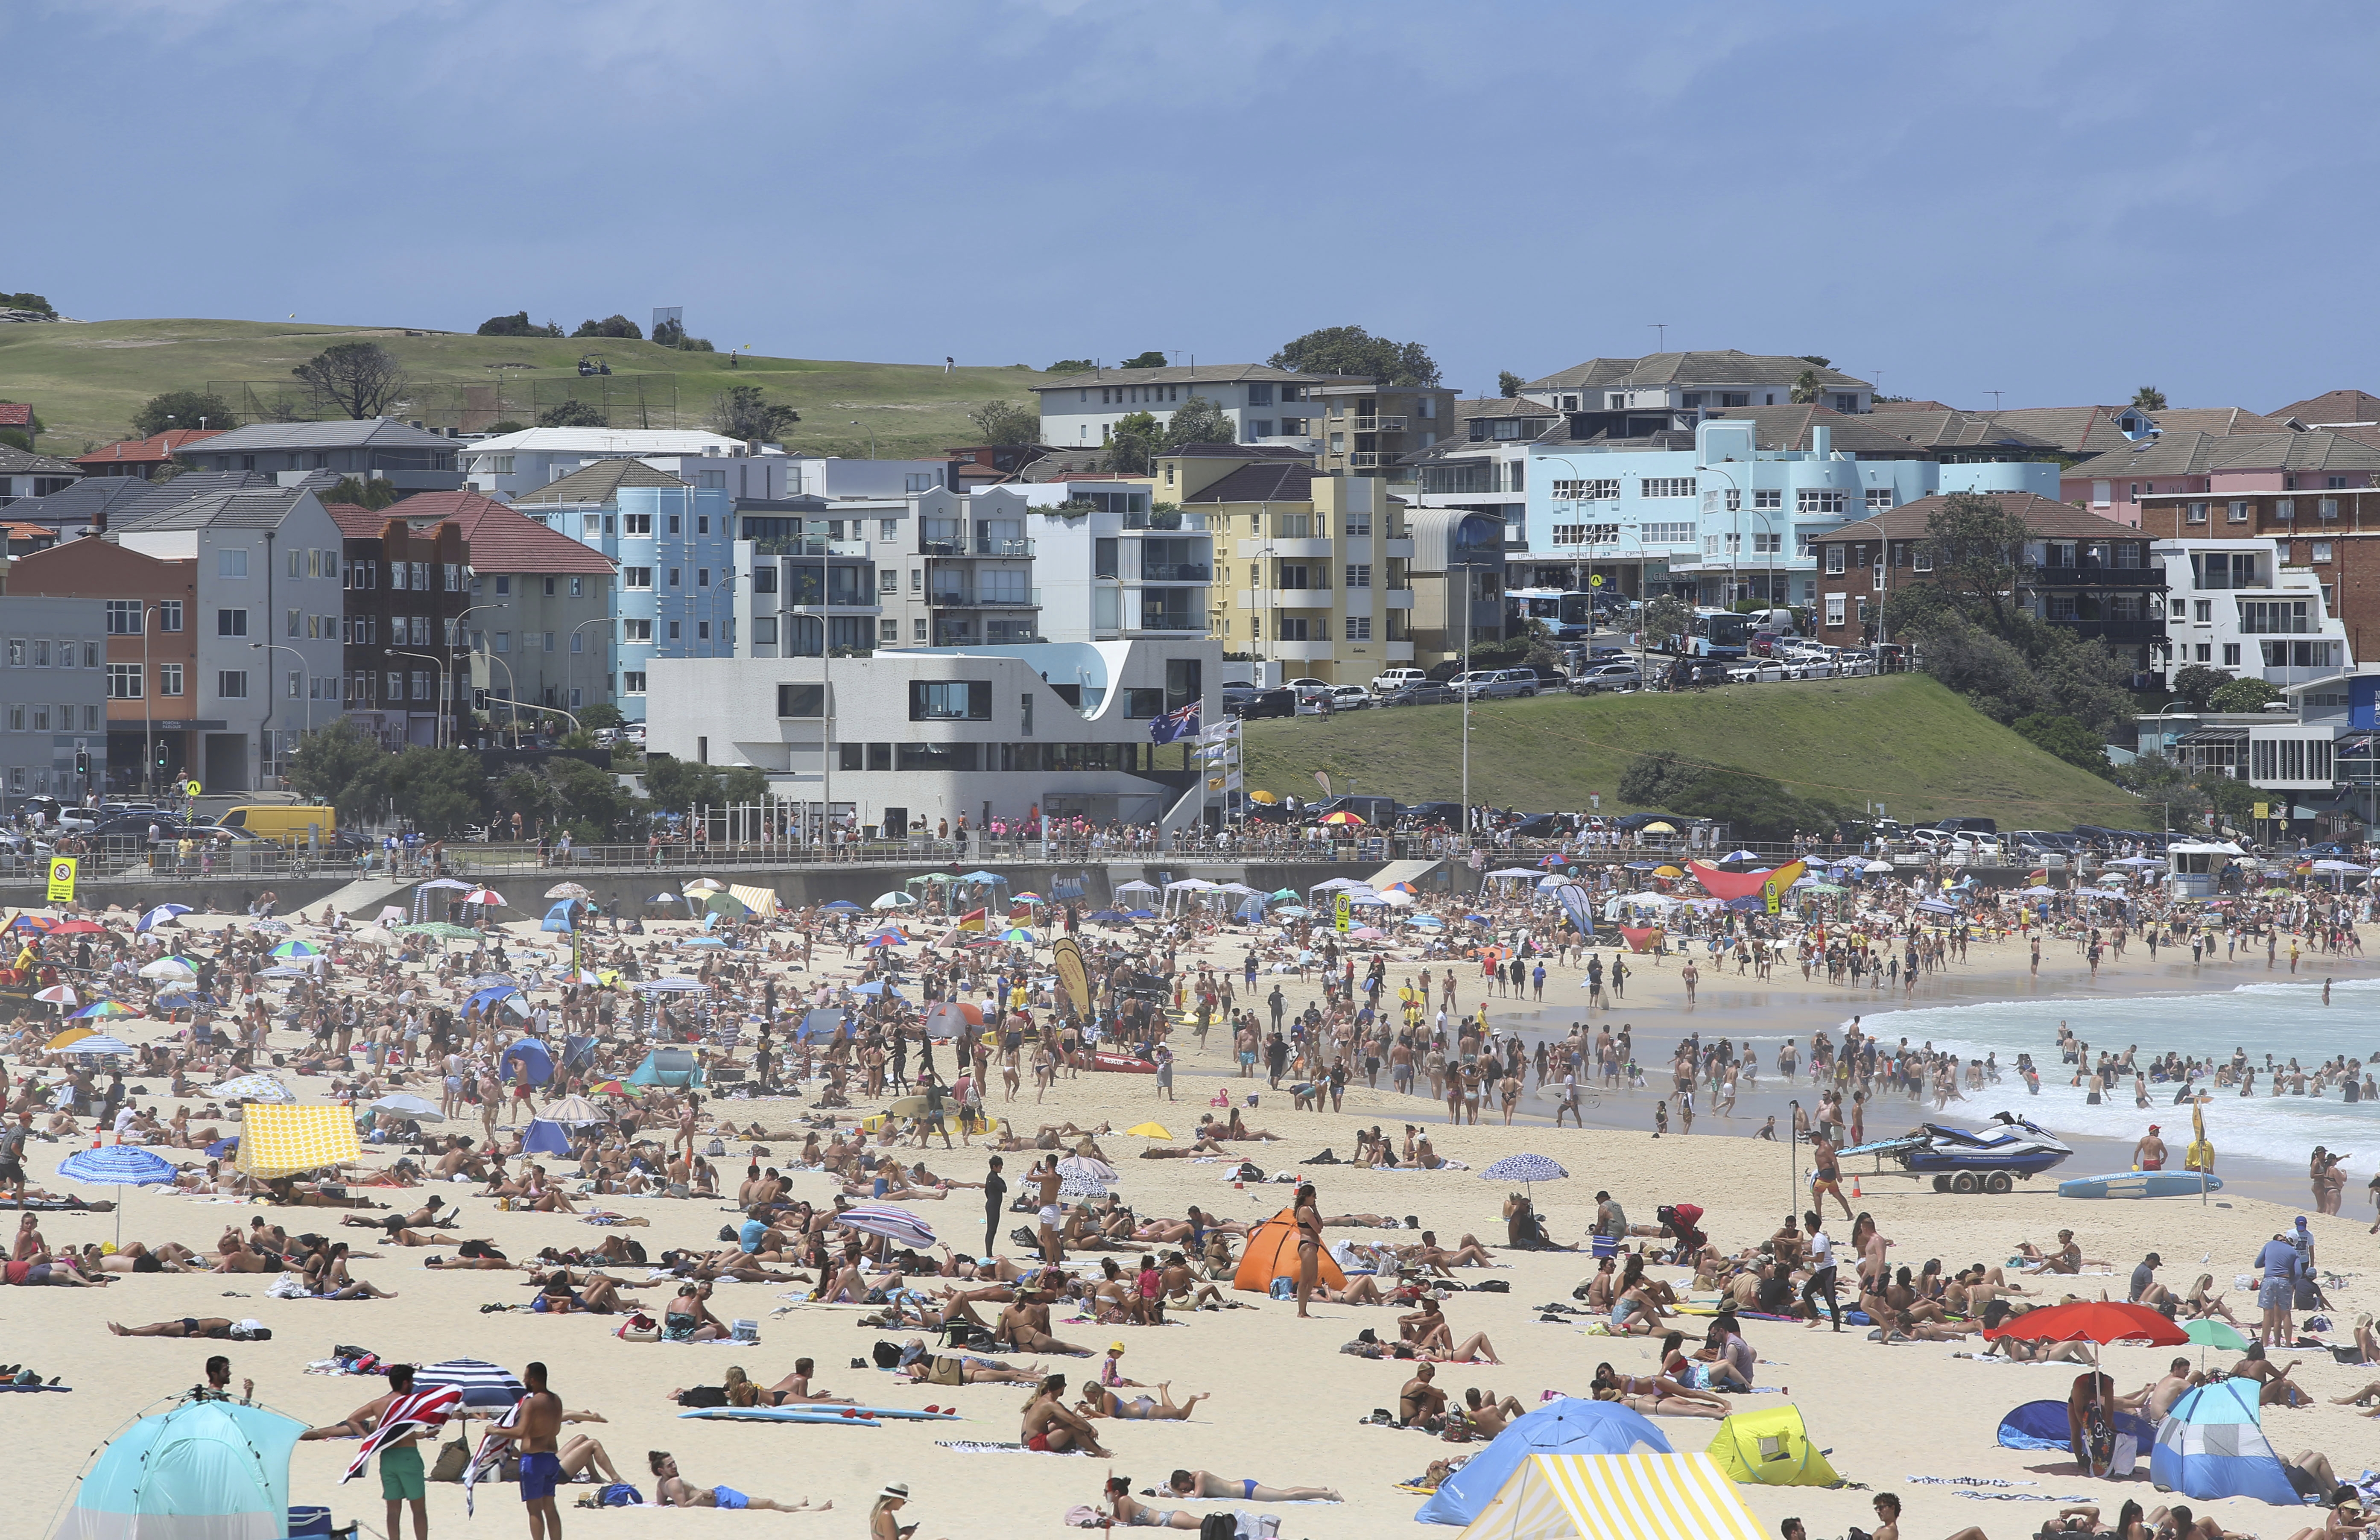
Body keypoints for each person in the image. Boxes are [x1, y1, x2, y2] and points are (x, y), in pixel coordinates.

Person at [298, 1363, 430, 1540]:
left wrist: (368, 1438)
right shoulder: (410, 1402)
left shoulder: (379, 1404)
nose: (413, 1384)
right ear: (406, 1383)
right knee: (419, 1509)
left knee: (393, 1511)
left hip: (387, 1458)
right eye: (412, 1381)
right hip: (407, 1456)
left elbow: (352, 1420)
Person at [477, 1361, 563, 1540]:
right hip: (551, 1458)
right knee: (550, 1507)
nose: (524, 1380)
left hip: (534, 1461)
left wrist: (496, 1430)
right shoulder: (556, 1400)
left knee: (534, 1510)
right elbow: (556, 1430)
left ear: (532, 1380)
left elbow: (521, 1432)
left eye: (526, 1377)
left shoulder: (531, 1403)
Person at [647, 1450, 827, 1512]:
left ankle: (796, 1505)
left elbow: (663, 1504)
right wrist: (701, 1494)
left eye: (674, 1463)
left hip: (718, 1495)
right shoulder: (675, 1482)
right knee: (767, 1503)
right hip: (721, 1498)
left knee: (760, 1502)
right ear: (661, 1470)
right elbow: (683, 1506)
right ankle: (811, 1511)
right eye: (670, 1465)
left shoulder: (662, 1485)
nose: (675, 1466)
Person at [1866, 1490, 1988, 1540]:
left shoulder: (1889, 1530)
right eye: (1877, 1508)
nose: (1878, 1511)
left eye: (1881, 1508)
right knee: (1975, 1532)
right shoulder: (1882, 1529)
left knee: (1975, 1531)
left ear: (1892, 1508)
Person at [1165, 1470, 1339, 1503]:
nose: (1186, 1490)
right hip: (1244, 1489)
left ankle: (1328, 1494)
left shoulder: (1200, 1476)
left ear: (1189, 1477)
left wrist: (1176, 1493)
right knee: (1285, 1493)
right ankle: (1320, 1490)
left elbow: (1197, 1496)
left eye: (1185, 1487)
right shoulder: (1193, 1478)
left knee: (1286, 1496)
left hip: (1246, 1491)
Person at [1292, 1182, 1323, 1319]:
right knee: (1305, 1280)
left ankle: (1304, 1310)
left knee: (1313, 1278)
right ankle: (1301, 1311)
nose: (1315, 1199)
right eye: (1314, 1196)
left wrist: (1316, 1209)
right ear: (1307, 1197)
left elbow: (1320, 1226)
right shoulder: (1304, 1209)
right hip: (1308, 1246)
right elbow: (1318, 1229)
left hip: (1312, 1246)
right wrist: (1313, 1211)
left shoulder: (1307, 1209)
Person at [871, 1483, 939, 1540]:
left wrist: (901, 1532)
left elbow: (883, 1534)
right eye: (903, 1501)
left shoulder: (877, 1512)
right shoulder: (886, 1515)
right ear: (896, 1499)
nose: (903, 1504)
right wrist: (908, 1536)